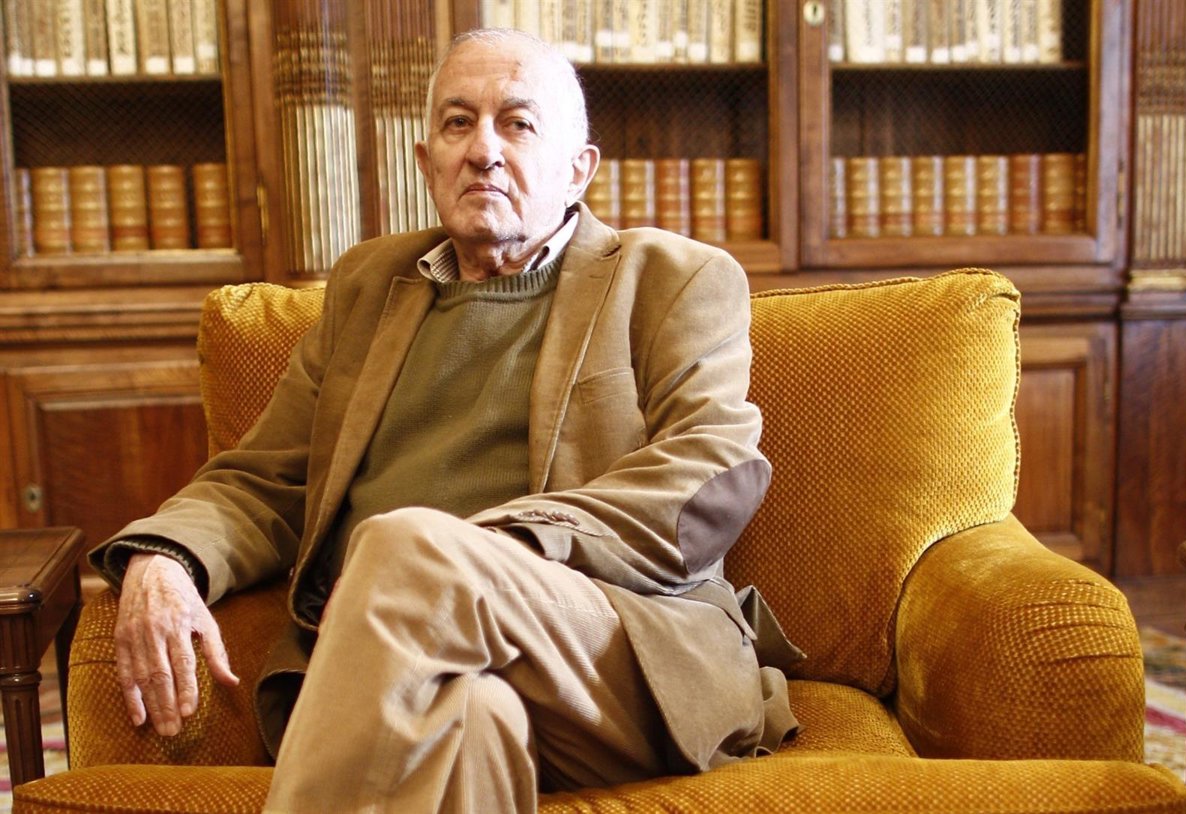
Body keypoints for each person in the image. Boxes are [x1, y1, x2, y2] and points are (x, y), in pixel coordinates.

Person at [92, 27, 799, 813]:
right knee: (470, 717)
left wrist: (477, 551)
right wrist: (165, 557)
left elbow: (711, 470)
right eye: (458, 123)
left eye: (517, 123)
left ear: (578, 168)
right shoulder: (367, 287)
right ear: (427, 162)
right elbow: (262, 480)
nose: (483, 150)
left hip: (613, 649)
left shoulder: (673, 279)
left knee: (404, 548)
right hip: (412, 674)